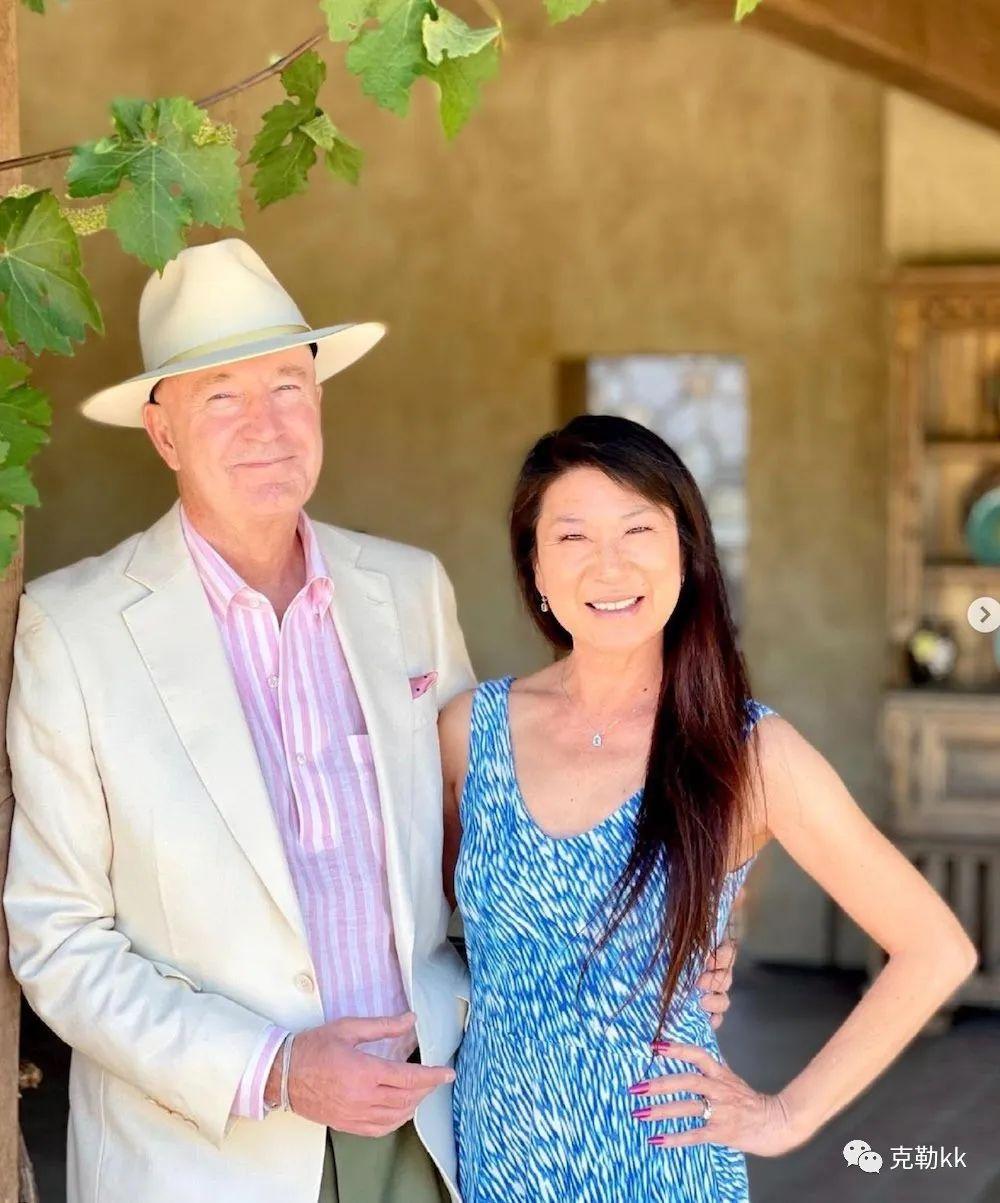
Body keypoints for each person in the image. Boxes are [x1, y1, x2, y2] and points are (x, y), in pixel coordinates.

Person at [3, 239, 739, 1203]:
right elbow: (59, 939)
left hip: (424, 1129)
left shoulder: (408, 588)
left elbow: (496, 843)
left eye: (288, 386)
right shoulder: (74, 628)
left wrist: (653, 941)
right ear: (163, 431)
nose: (266, 425)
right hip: (203, 1155)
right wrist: (275, 1066)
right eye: (221, 395)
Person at [439, 414, 979, 1203]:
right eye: (573, 536)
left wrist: (785, 1114)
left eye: (638, 530)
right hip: (494, 1161)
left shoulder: (746, 751)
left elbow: (935, 948)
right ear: (536, 569)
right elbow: (433, 938)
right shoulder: (469, 732)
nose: (609, 564)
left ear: (685, 554)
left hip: (662, 1168)